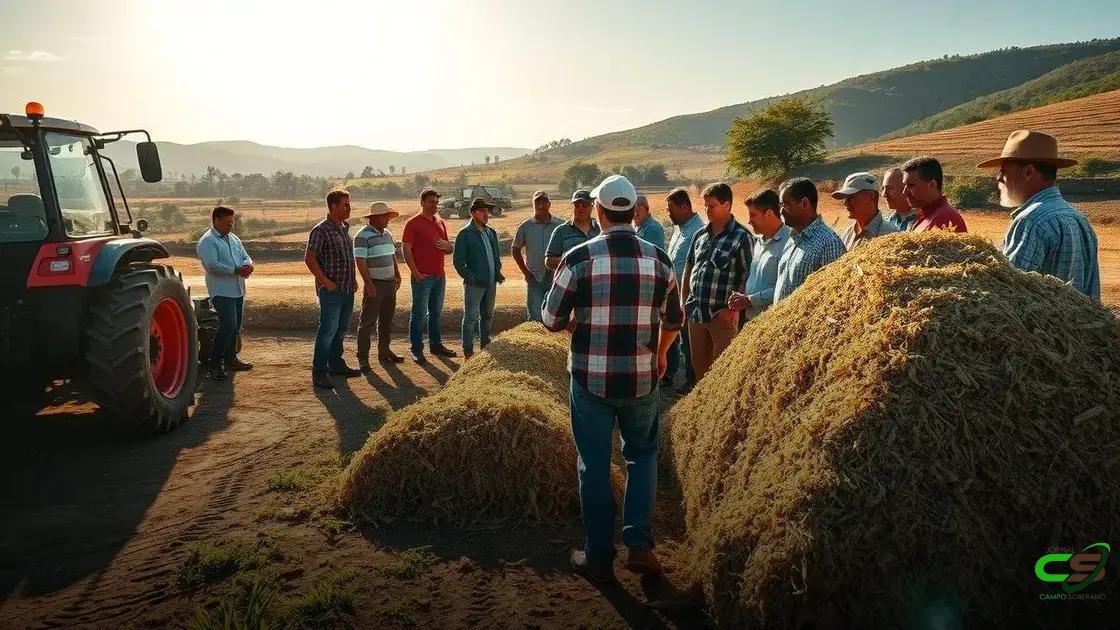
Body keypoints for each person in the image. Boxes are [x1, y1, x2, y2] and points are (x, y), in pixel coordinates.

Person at [542, 174, 683, 584]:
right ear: (632, 211)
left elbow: (550, 319)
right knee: (642, 457)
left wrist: (576, 321)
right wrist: (658, 357)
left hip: (590, 379)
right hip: (641, 378)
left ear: (600, 212)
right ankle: (639, 544)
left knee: (594, 464)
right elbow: (674, 320)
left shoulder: (580, 258)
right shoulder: (659, 258)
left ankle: (599, 553)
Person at [978, 130, 1100, 299]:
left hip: (1039, 326)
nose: (999, 178)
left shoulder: (1031, 221)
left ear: (1028, 172)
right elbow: (1093, 296)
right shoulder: (1080, 219)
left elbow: (1007, 293)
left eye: (1005, 171)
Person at [681, 183, 752, 381]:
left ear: (727, 205)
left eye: (711, 206)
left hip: (721, 317)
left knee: (722, 375)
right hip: (696, 313)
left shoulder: (742, 237)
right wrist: (683, 302)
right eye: (705, 206)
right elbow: (689, 269)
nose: (707, 210)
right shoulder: (700, 235)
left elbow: (747, 276)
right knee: (700, 373)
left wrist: (732, 310)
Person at [305, 189, 362, 389]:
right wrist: (324, 281)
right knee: (328, 330)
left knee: (341, 329)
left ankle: (336, 363)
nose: (349, 207)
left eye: (349, 204)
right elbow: (309, 259)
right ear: (333, 206)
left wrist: (353, 279)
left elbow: (348, 258)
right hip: (331, 291)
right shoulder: (321, 230)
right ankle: (319, 371)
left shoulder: (344, 228)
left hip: (346, 289)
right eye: (345, 204)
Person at [196, 205, 254, 381]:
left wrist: (248, 265)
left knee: (235, 327)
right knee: (227, 325)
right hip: (221, 291)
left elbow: (245, 256)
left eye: (232, 222)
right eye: (228, 222)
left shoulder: (234, 238)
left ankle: (231, 358)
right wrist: (235, 270)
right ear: (216, 220)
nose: (231, 226)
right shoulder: (207, 241)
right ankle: (216, 363)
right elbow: (212, 265)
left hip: (237, 289)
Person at [402, 188, 457, 364]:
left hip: (439, 275)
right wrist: (415, 273)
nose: (435, 205)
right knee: (419, 313)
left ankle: (436, 345)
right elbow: (406, 248)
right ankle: (416, 350)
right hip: (422, 277)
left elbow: (448, 247)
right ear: (423, 202)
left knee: (435, 313)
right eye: (431, 202)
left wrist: (449, 247)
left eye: (436, 202)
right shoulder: (412, 223)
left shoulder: (440, 222)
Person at [773, 178, 846, 302]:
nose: (781, 211)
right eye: (781, 205)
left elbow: (834, 297)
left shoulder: (829, 243)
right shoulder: (792, 239)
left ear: (804, 203)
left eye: (786, 204)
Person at [727, 189, 790, 321]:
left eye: (753, 215)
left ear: (768, 213)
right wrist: (742, 296)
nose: (749, 221)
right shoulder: (759, 242)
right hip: (752, 321)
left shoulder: (789, 243)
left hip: (773, 321)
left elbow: (787, 288)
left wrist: (750, 300)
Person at [354, 201, 404, 369]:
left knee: (386, 320)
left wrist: (397, 274)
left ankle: (384, 351)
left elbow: (392, 256)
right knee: (367, 321)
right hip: (375, 284)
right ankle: (363, 357)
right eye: (385, 216)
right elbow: (360, 261)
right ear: (374, 217)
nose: (388, 219)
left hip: (390, 284)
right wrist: (368, 283)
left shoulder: (388, 234)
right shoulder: (362, 236)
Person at [663, 187, 704, 389]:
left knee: (691, 343)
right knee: (681, 340)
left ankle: (693, 383)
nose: (668, 213)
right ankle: (680, 377)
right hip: (676, 295)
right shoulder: (680, 230)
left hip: (690, 297)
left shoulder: (698, 231)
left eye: (670, 208)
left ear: (684, 206)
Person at [454, 198, 505, 358]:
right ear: (473, 213)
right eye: (482, 211)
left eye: (487, 211)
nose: (486, 214)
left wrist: (498, 272)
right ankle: (468, 351)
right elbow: (458, 262)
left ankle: (485, 346)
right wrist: (470, 277)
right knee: (470, 318)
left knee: (488, 315)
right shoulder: (465, 234)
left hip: (491, 282)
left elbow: (495, 256)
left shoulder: (491, 232)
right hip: (474, 284)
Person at [512, 190, 563, 322]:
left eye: (544, 201)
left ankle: (553, 342)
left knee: (556, 315)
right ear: (533, 204)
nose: (540, 205)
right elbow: (515, 250)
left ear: (549, 204)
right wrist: (526, 273)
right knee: (535, 317)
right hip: (534, 277)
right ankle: (537, 343)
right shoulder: (525, 227)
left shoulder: (560, 225)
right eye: (537, 202)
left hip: (556, 278)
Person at [833, 172, 899, 250]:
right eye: (845, 198)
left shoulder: (890, 235)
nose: (846, 203)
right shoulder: (848, 231)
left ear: (871, 196)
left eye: (851, 197)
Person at [903, 157, 967, 233]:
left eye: (911, 185)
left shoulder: (946, 220)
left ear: (932, 185)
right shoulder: (924, 215)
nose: (904, 192)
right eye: (905, 185)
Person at [545, 189, 601, 271]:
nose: (580, 208)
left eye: (584, 205)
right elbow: (548, 261)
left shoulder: (600, 229)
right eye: (577, 205)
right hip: (571, 281)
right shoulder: (561, 231)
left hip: (596, 280)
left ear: (591, 206)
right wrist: (571, 259)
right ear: (572, 206)